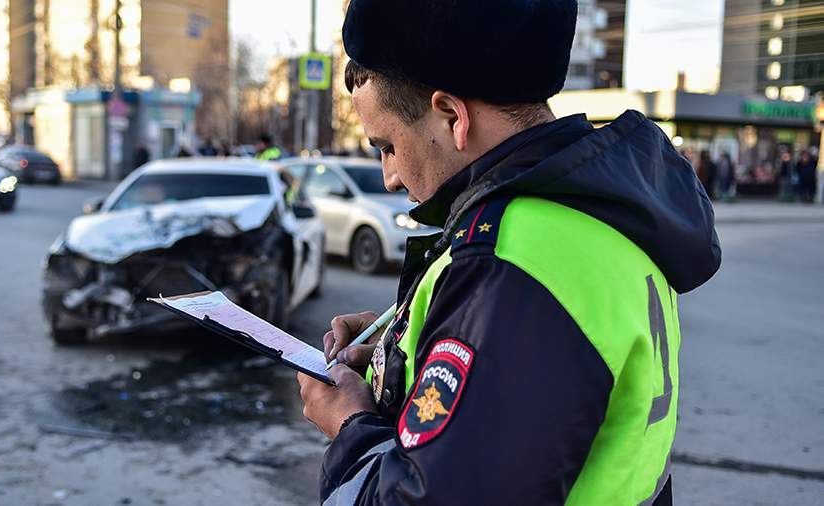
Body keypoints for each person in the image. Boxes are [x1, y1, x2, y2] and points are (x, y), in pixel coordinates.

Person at [296, 1, 721, 505]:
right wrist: (409, 353)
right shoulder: (606, 211)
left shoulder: (507, 262)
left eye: (386, 146)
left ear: (452, 116)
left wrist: (350, 425)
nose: (389, 176)